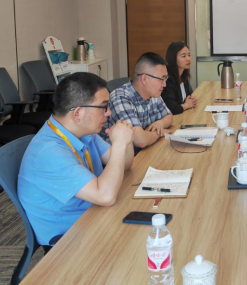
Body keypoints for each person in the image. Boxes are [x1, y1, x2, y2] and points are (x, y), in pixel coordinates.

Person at [18, 73, 134, 248]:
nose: (109, 112)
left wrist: (126, 140)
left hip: (94, 214)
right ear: (78, 113)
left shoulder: (83, 132)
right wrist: (118, 145)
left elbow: (124, 165)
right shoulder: (49, 152)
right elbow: (105, 196)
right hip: (70, 239)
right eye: (103, 106)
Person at [105, 52, 174, 150]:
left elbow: (169, 116)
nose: (164, 84)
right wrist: (159, 133)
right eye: (161, 79)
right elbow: (140, 140)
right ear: (144, 79)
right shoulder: (120, 97)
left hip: (146, 151)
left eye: (165, 79)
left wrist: (160, 123)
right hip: (121, 156)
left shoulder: (154, 93)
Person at [162, 41, 198, 115]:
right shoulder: (167, 79)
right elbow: (171, 108)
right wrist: (187, 105)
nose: (188, 59)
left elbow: (187, 98)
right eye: (183, 56)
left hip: (183, 116)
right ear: (173, 58)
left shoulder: (184, 75)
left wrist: (191, 100)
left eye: (189, 55)